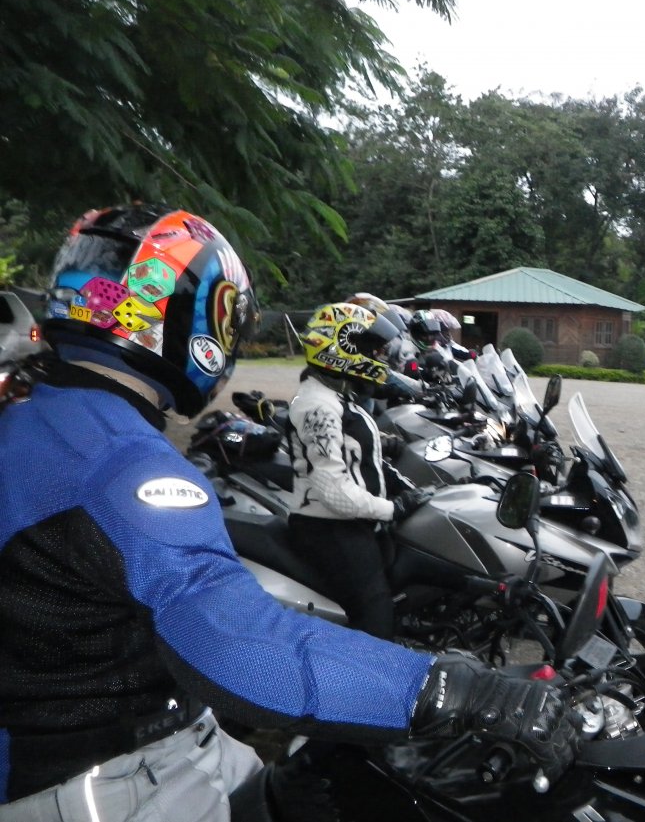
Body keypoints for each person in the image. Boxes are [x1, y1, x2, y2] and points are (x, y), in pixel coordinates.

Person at [0, 204, 577, 821]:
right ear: (185, 315)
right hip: (95, 773)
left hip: (141, 723)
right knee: (373, 612)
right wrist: (462, 690)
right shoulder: (122, 463)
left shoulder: (39, 414)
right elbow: (243, 646)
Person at [286, 301, 429, 639]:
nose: (379, 358)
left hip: (355, 523)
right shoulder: (316, 406)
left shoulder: (336, 395)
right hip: (329, 528)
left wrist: (415, 492)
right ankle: (369, 683)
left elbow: (368, 463)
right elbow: (334, 491)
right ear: (343, 347)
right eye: (372, 349)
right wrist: (393, 509)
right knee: (377, 614)